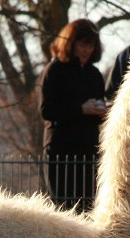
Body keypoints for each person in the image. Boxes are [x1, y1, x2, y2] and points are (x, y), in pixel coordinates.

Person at [38, 19, 106, 212]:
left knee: (87, 208)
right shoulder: (54, 71)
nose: (87, 50)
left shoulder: (95, 75)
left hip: (88, 151)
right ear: (71, 43)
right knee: (63, 208)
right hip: (61, 151)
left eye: (91, 45)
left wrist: (102, 112)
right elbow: (46, 111)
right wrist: (80, 109)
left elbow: (97, 112)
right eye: (83, 44)